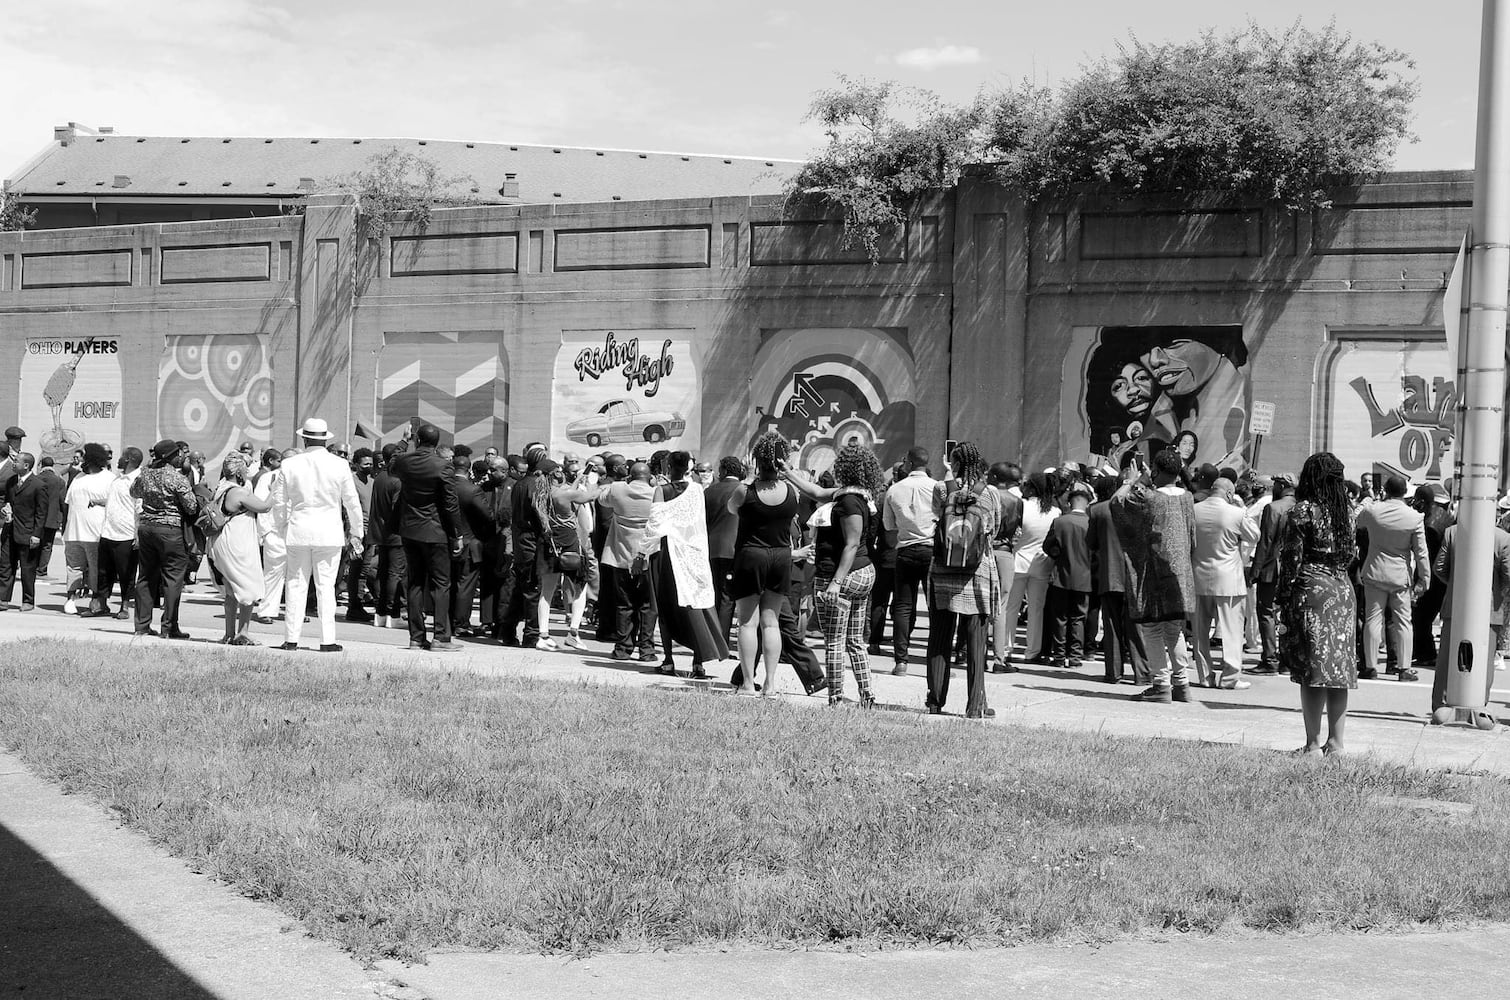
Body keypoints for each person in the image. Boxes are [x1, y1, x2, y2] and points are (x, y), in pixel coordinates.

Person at [785, 444, 881, 706]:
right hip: (861, 574)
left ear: (845, 468)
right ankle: (867, 694)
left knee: (835, 641)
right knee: (854, 641)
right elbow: (815, 491)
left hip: (842, 576)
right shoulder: (854, 494)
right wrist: (789, 472)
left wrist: (836, 583)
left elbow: (851, 543)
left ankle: (836, 697)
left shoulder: (849, 501)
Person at [1278, 452, 1358, 756]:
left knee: (1312, 669)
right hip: (1342, 590)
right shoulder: (1347, 513)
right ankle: (1336, 743)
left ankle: (1312, 745)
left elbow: (1291, 560)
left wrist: (1284, 596)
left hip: (1312, 589)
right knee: (1338, 670)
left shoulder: (1303, 512)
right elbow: (1351, 555)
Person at [1110, 448, 1198, 703]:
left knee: (1152, 629)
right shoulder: (1188, 497)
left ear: (1156, 471)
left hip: (1155, 572)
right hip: (1180, 572)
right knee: (1174, 629)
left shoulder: (1149, 497)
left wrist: (1133, 480)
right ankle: (1182, 685)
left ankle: (1161, 685)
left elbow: (1117, 504)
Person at [271, 418, 365, 653]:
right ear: (325, 439)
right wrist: (357, 531)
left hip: (299, 530)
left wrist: (282, 527)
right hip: (328, 532)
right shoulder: (339, 464)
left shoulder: (290, 464)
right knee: (326, 587)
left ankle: (291, 639)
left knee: (295, 584)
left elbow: (280, 502)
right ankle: (327, 639)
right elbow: (351, 501)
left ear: (304, 438)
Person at [924, 442, 1001, 718]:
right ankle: (976, 705)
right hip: (977, 573)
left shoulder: (942, 489)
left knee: (939, 636)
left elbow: (936, 516)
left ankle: (935, 700)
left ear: (954, 463)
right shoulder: (989, 492)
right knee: (976, 641)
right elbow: (994, 526)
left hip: (943, 571)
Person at [644, 450, 729, 679]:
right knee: (696, 604)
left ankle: (669, 660)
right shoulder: (697, 490)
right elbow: (698, 522)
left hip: (667, 552)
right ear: (690, 468)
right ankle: (698, 663)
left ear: (668, 467)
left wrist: (642, 552)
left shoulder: (661, 490)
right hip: (693, 552)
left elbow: (655, 524)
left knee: (665, 606)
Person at [729, 432, 798, 696]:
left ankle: (747, 683)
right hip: (781, 556)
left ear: (756, 461)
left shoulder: (745, 490)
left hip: (751, 555)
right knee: (771, 623)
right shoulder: (791, 490)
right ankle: (770, 683)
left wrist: (748, 477)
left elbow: (731, 509)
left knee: (747, 622)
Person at [388, 423, 464, 651]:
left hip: (410, 530)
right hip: (435, 531)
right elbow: (450, 504)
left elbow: (391, 464)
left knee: (415, 584)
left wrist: (403, 442)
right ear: (437, 443)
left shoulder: (405, 461)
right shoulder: (443, 466)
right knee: (441, 584)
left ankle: (416, 637)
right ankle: (440, 637)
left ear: (417, 440)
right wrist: (457, 534)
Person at [1355, 475, 1430, 683]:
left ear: (1385, 490)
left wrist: (1368, 501)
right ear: (1405, 492)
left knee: (1373, 619)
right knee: (1404, 622)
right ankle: (1404, 668)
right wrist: (1424, 579)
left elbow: (1357, 521)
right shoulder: (1415, 517)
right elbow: (1421, 552)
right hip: (1400, 576)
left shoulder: (1373, 510)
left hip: (1375, 572)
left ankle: (1370, 666)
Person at [1430, 519, 1510, 710]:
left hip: (1455, 603)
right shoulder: (1503, 538)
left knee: (1447, 658)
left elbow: (1439, 567)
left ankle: (1440, 704)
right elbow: (1508, 575)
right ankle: (1478, 703)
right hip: (1490, 608)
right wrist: (1499, 592)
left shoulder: (1451, 532)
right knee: (1484, 659)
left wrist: (1455, 582)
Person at [1191, 477, 1259, 689]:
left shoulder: (1194, 510)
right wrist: (1242, 511)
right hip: (1228, 578)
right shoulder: (1236, 513)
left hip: (1199, 575)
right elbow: (1254, 536)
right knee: (1231, 631)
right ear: (1229, 494)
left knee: (1200, 632)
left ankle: (1205, 676)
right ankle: (1229, 678)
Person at [131, 440, 200, 638]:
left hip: (147, 528)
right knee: (173, 578)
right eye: (178, 453)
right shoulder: (176, 478)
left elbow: (133, 492)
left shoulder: (145, 474)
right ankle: (169, 627)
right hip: (170, 530)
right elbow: (191, 507)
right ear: (171, 456)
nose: (181, 456)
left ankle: (142, 626)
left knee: (145, 577)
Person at [1086, 472, 1146, 684]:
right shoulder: (1141, 507)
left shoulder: (1097, 510)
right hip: (1135, 575)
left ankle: (1113, 673)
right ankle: (1142, 673)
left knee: (1111, 625)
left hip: (1109, 573)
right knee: (1136, 627)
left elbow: (1091, 543)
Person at [532, 460, 597, 650]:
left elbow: (570, 494)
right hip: (570, 541)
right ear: (555, 474)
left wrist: (577, 481)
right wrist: (596, 485)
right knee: (580, 588)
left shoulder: (541, 494)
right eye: (559, 470)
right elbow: (588, 496)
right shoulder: (564, 494)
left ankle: (543, 636)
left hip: (550, 542)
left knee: (547, 591)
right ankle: (573, 633)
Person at [883, 447, 937, 673]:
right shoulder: (937, 488)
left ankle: (901, 661)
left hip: (905, 549)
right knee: (935, 608)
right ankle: (934, 661)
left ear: (908, 462)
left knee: (903, 606)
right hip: (931, 550)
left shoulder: (894, 490)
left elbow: (888, 526)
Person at [208, 453, 272, 644]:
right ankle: (242, 633)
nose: (248, 471)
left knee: (230, 591)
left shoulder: (221, 486)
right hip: (237, 544)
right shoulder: (238, 492)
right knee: (249, 587)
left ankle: (229, 634)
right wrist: (275, 489)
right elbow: (264, 507)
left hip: (222, 541)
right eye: (245, 468)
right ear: (239, 471)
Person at [598, 460, 658, 660]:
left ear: (630, 476)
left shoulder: (617, 490)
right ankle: (647, 650)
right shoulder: (656, 494)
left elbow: (602, 500)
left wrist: (622, 483)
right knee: (648, 606)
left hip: (620, 557)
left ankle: (623, 648)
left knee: (624, 605)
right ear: (649, 477)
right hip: (648, 558)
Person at [1001, 472, 1060, 664]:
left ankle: (1005, 648)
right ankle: (1032, 651)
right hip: (1042, 563)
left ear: (1032, 488)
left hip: (1018, 560)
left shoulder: (1022, 506)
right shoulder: (1055, 511)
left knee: (1011, 607)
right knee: (1036, 610)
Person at [1043, 480, 1094, 669]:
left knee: (1060, 617)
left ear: (1070, 503)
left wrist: (1058, 554)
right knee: (1079, 618)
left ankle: (1058, 656)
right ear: (1086, 504)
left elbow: (1047, 546)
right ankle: (1074, 657)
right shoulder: (1090, 523)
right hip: (1084, 577)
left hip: (1061, 576)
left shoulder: (1059, 522)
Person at [61, 443, 113, 615]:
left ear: (92, 458)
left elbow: (114, 504)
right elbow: (68, 504)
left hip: (96, 534)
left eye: (83, 455)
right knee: (73, 568)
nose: (79, 458)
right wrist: (64, 528)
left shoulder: (109, 478)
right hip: (73, 533)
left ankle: (97, 602)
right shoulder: (78, 478)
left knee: (96, 570)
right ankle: (71, 599)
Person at [97, 447, 143, 620]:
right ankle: (101, 604)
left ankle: (124, 606)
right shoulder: (118, 479)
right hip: (108, 532)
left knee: (126, 574)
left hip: (126, 535)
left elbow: (140, 509)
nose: (118, 459)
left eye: (122, 456)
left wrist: (138, 535)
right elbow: (114, 501)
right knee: (103, 571)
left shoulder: (138, 480)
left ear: (129, 459)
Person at [704, 456, 745, 642]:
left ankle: (711, 636)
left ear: (725, 471)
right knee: (728, 597)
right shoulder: (743, 490)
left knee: (713, 593)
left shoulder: (709, 491)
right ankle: (721, 639)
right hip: (734, 549)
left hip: (711, 548)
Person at [367, 443, 407, 629]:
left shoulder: (380, 477)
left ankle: (381, 612)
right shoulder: (397, 480)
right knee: (394, 574)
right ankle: (392, 613)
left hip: (381, 532)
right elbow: (397, 508)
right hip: (395, 533)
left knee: (383, 573)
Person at [2, 454, 44, 611]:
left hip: (27, 533)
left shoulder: (38, 485)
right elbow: (7, 501)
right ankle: (3, 598)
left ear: (26, 466)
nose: (13, 463)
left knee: (27, 568)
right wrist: (5, 510)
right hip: (9, 531)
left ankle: (28, 600)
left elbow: (41, 513)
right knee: (5, 565)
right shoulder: (11, 482)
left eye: (17, 461)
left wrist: (36, 535)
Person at [345, 447, 377, 623]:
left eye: (370, 464)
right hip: (357, 533)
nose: (368, 466)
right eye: (365, 464)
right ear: (356, 464)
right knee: (355, 570)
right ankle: (353, 606)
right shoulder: (351, 481)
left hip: (370, 533)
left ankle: (358, 605)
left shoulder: (372, 481)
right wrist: (353, 535)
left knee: (364, 570)